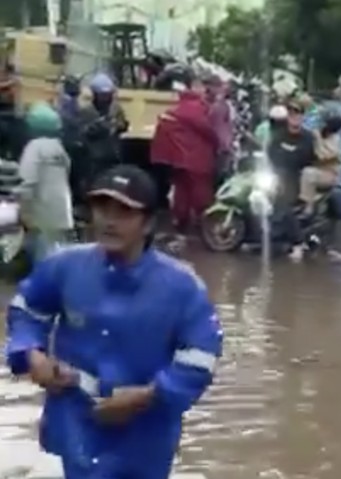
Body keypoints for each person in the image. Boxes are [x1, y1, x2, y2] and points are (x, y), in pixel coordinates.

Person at [4, 164, 223, 479]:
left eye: (124, 212)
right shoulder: (64, 266)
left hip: (145, 435)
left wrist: (147, 396)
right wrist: (31, 353)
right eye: (102, 208)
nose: (109, 220)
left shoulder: (182, 287)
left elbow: (201, 357)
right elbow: (27, 310)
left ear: (148, 223)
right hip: (73, 424)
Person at [150, 76, 218, 234]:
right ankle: (203, 222)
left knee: (182, 191)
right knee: (200, 191)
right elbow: (208, 131)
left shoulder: (178, 108)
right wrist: (217, 143)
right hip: (197, 158)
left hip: (177, 159)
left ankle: (180, 221)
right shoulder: (197, 108)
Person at [16, 102, 73, 263]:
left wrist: (24, 212)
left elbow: (27, 181)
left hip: (41, 215)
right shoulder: (59, 148)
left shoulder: (34, 147)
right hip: (62, 214)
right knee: (57, 258)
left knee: (42, 261)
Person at [268, 98, 318, 260]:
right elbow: (270, 154)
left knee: (283, 202)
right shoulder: (278, 135)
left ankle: (298, 243)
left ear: (303, 117)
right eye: (291, 114)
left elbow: (306, 157)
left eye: (298, 114)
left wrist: (289, 157)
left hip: (297, 178)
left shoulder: (308, 137)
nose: (294, 117)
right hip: (277, 175)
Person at [77, 73, 128, 190]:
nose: (106, 98)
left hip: (113, 157)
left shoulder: (116, 109)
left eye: (108, 94)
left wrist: (120, 126)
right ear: (95, 94)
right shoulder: (86, 111)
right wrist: (98, 127)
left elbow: (122, 124)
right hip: (94, 159)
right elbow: (82, 132)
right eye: (103, 95)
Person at [299, 109, 341, 216]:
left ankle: (308, 207)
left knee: (308, 173)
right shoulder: (315, 135)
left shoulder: (336, 140)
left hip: (329, 174)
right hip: (315, 168)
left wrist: (318, 139)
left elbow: (323, 157)